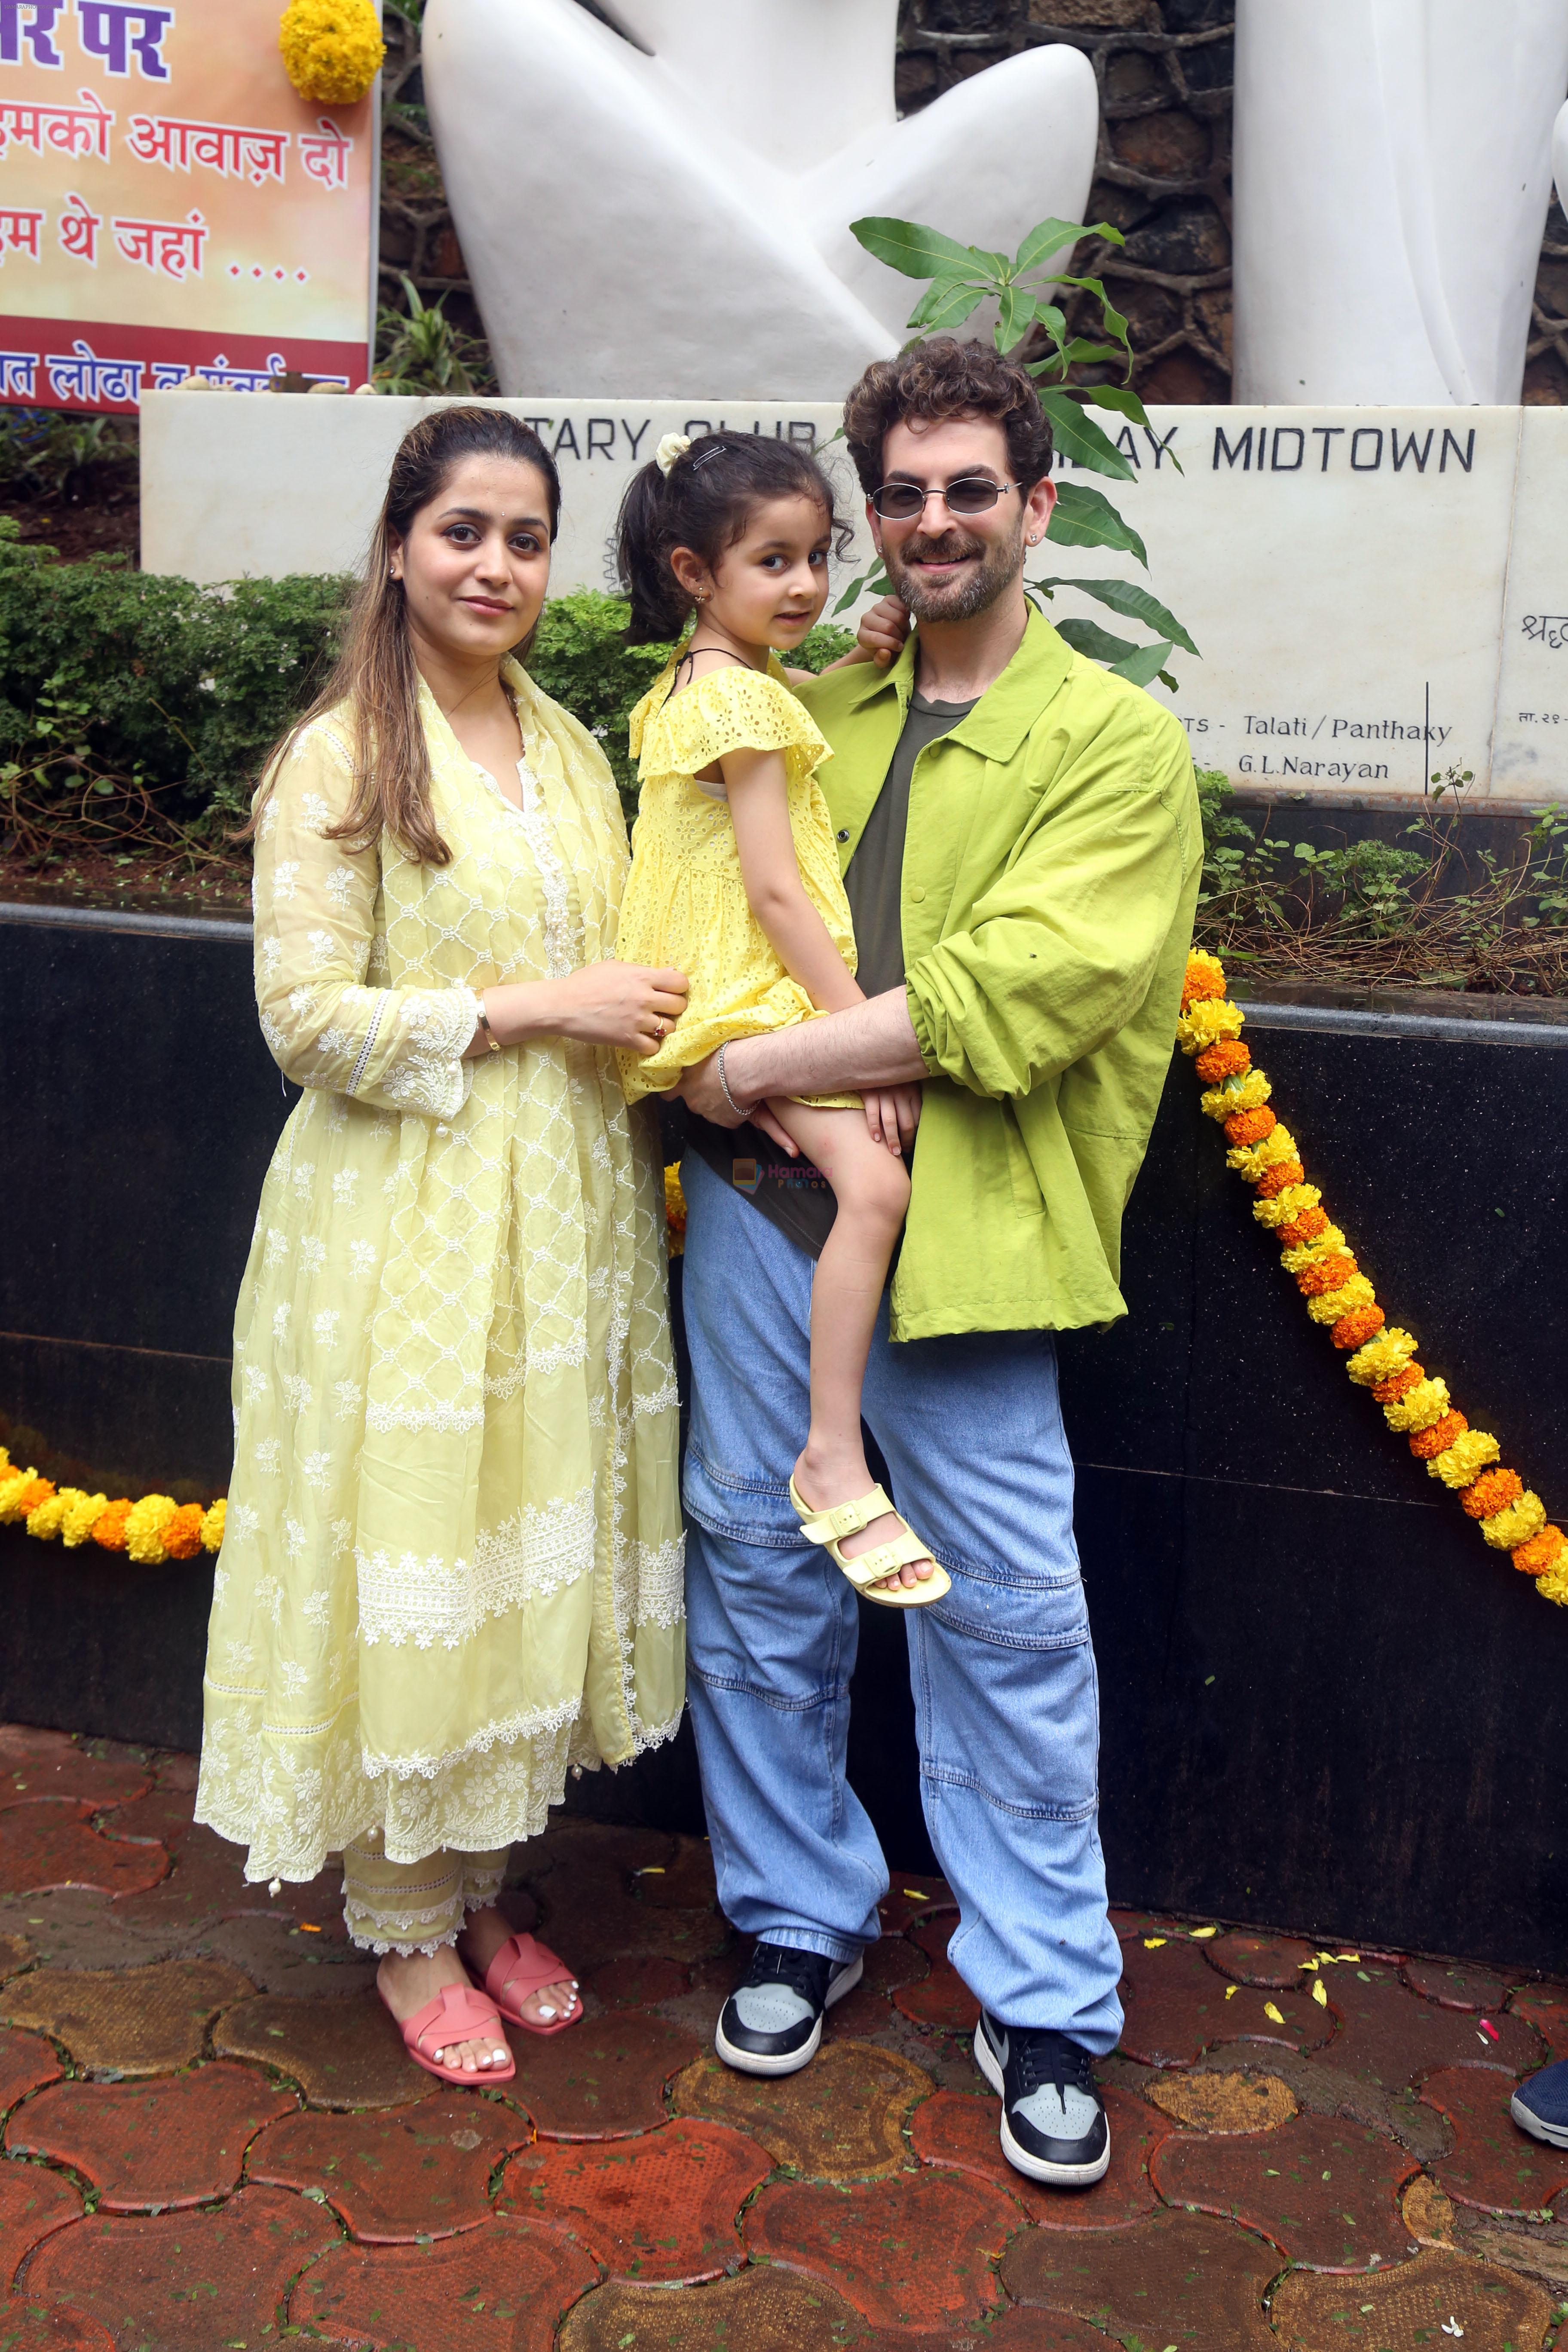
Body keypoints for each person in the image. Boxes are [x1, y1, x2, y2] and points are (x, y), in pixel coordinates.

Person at [674, 337, 1203, 2187]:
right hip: (763, 1219)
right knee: (755, 1557)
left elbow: (1023, 998)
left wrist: (753, 1068)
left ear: (1037, 506)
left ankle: (1045, 1992)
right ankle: (793, 1914)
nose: (929, 521)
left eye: (970, 487)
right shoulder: (832, 702)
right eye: (898, 492)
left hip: (969, 1239)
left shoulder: (1116, 744)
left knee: (1004, 1613)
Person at [194, 407, 688, 2086]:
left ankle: (481, 1889)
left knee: (514, 1550)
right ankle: (404, 1936)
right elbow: (303, 1018)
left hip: (559, 1220)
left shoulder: (562, 744)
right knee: (420, 1547)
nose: (496, 565)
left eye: (527, 537)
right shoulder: (342, 758)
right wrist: (532, 1007)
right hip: (407, 1229)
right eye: (465, 529)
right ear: (401, 543)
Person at [614, 429, 945, 1614]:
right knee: (877, 1190)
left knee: (864, 1191)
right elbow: (772, 891)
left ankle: (826, 1448)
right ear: (696, 571)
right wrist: (858, 1030)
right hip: (747, 992)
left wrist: (861, 655)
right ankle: (832, 1452)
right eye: (774, 562)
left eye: (817, 557)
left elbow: (817, 718)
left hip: (726, 997)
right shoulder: (737, 705)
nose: (805, 585)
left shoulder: (717, 686)